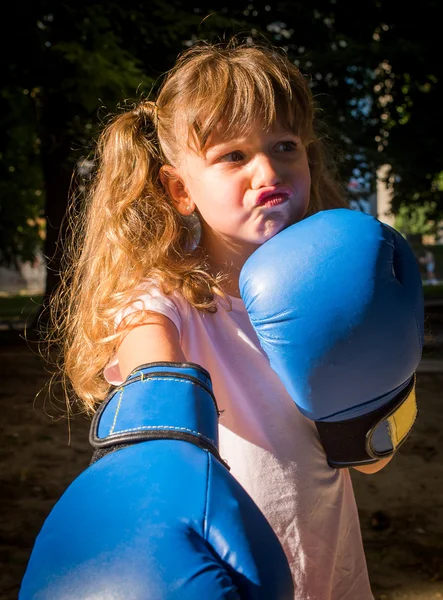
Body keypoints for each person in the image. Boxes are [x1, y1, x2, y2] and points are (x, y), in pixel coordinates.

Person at [21, 39, 422, 599]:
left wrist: (373, 395)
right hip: (223, 574)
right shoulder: (164, 300)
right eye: (233, 155)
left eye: (285, 145)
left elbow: (368, 462)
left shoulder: (331, 292)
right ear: (179, 189)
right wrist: (160, 410)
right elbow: (149, 363)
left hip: (333, 575)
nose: (267, 170)